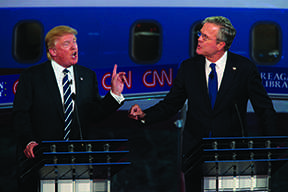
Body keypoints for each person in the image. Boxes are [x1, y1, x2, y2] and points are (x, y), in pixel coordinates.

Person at [128, 16, 276, 191]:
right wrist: (146, 115)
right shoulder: (188, 68)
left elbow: (264, 109)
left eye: (205, 36)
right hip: (195, 155)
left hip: (231, 154)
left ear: (220, 44)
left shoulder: (244, 68)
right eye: (200, 34)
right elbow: (171, 104)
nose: (198, 39)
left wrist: (270, 149)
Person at [13, 25, 126, 192]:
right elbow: (20, 114)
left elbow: (94, 114)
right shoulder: (32, 77)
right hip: (42, 161)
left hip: (79, 163)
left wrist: (115, 94)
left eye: (75, 42)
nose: (75, 47)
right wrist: (28, 141)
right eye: (67, 44)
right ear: (53, 51)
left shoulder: (87, 76)